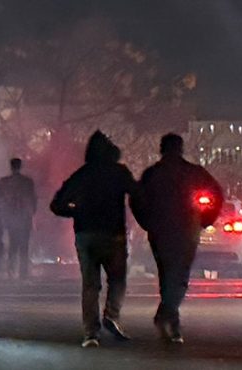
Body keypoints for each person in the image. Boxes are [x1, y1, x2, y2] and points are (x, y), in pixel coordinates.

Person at [131, 133, 223, 344]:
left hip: (160, 230)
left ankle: (169, 318)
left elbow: (136, 199)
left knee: (166, 274)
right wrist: (205, 220)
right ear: (181, 149)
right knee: (180, 275)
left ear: (161, 149)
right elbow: (217, 194)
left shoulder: (152, 174)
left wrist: (147, 222)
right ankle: (169, 317)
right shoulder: (194, 172)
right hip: (186, 229)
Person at [50, 131, 138, 348]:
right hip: (113, 233)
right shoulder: (119, 172)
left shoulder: (81, 175)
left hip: (86, 234)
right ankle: (111, 314)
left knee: (90, 285)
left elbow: (57, 205)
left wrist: (77, 212)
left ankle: (91, 333)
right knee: (117, 279)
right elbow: (138, 193)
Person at [0, 157, 37, 280]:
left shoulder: (4, 182)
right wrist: (31, 213)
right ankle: (23, 273)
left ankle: (11, 271)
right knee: (24, 246)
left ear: (11, 166)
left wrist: (3, 216)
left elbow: (0, 200)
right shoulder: (27, 182)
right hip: (24, 218)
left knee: (13, 245)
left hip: (11, 218)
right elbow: (33, 200)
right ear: (20, 166)